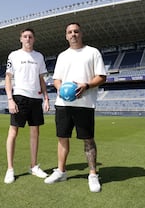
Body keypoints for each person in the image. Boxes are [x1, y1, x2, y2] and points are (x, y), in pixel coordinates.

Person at [44, 22, 107, 192]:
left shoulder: (92, 52)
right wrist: (61, 89)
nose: (73, 34)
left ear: (81, 33)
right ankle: (61, 171)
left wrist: (86, 85)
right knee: (62, 138)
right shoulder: (62, 56)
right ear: (66, 36)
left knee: (88, 139)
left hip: (84, 104)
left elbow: (101, 77)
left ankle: (93, 174)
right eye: (70, 32)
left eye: (76, 31)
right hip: (63, 104)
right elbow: (56, 79)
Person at [4, 28, 50, 184]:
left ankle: (33, 166)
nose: (28, 39)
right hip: (19, 97)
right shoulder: (14, 55)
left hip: (36, 98)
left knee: (35, 132)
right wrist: (10, 99)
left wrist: (46, 97)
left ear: (34, 39)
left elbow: (41, 79)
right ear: (21, 39)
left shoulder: (39, 56)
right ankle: (10, 169)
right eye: (25, 36)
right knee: (13, 132)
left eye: (30, 36)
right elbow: (8, 78)